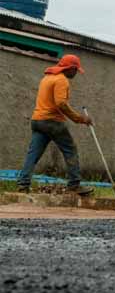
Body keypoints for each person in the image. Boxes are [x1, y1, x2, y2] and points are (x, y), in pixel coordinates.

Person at [17, 54, 94, 195]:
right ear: (70, 68)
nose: (76, 73)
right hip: (52, 121)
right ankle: (74, 185)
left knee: (33, 154)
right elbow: (61, 103)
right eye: (76, 70)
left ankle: (23, 184)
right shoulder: (61, 80)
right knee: (70, 150)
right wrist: (80, 119)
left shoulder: (47, 78)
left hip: (37, 121)